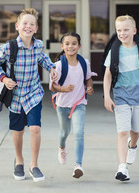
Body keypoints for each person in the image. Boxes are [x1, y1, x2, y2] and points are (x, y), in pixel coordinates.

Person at [0, 8, 58, 182]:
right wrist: (4, 79)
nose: (28, 26)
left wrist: (52, 68)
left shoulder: (39, 45)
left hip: (33, 92)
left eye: (32, 24)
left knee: (35, 128)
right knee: (18, 131)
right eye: (25, 23)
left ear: (36, 28)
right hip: (16, 95)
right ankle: (19, 160)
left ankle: (34, 165)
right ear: (17, 26)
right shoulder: (8, 47)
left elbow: (41, 58)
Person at [103, 15, 139, 181]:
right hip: (121, 95)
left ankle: (132, 145)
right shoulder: (114, 51)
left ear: (134, 31)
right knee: (123, 131)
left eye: (126, 30)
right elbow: (107, 75)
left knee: (135, 130)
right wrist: (107, 96)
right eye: (119, 30)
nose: (122, 33)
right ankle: (122, 168)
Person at [49, 32, 96, 179]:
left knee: (79, 132)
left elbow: (88, 79)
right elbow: (52, 87)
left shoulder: (84, 63)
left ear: (79, 46)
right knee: (64, 132)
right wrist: (63, 89)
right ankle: (62, 148)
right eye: (67, 43)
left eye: (74, 43)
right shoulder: (58, 65)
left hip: (79, 103)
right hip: (63, 104)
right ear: (62, 46)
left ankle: (78, 165)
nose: (71, 46)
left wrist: (89, 87)